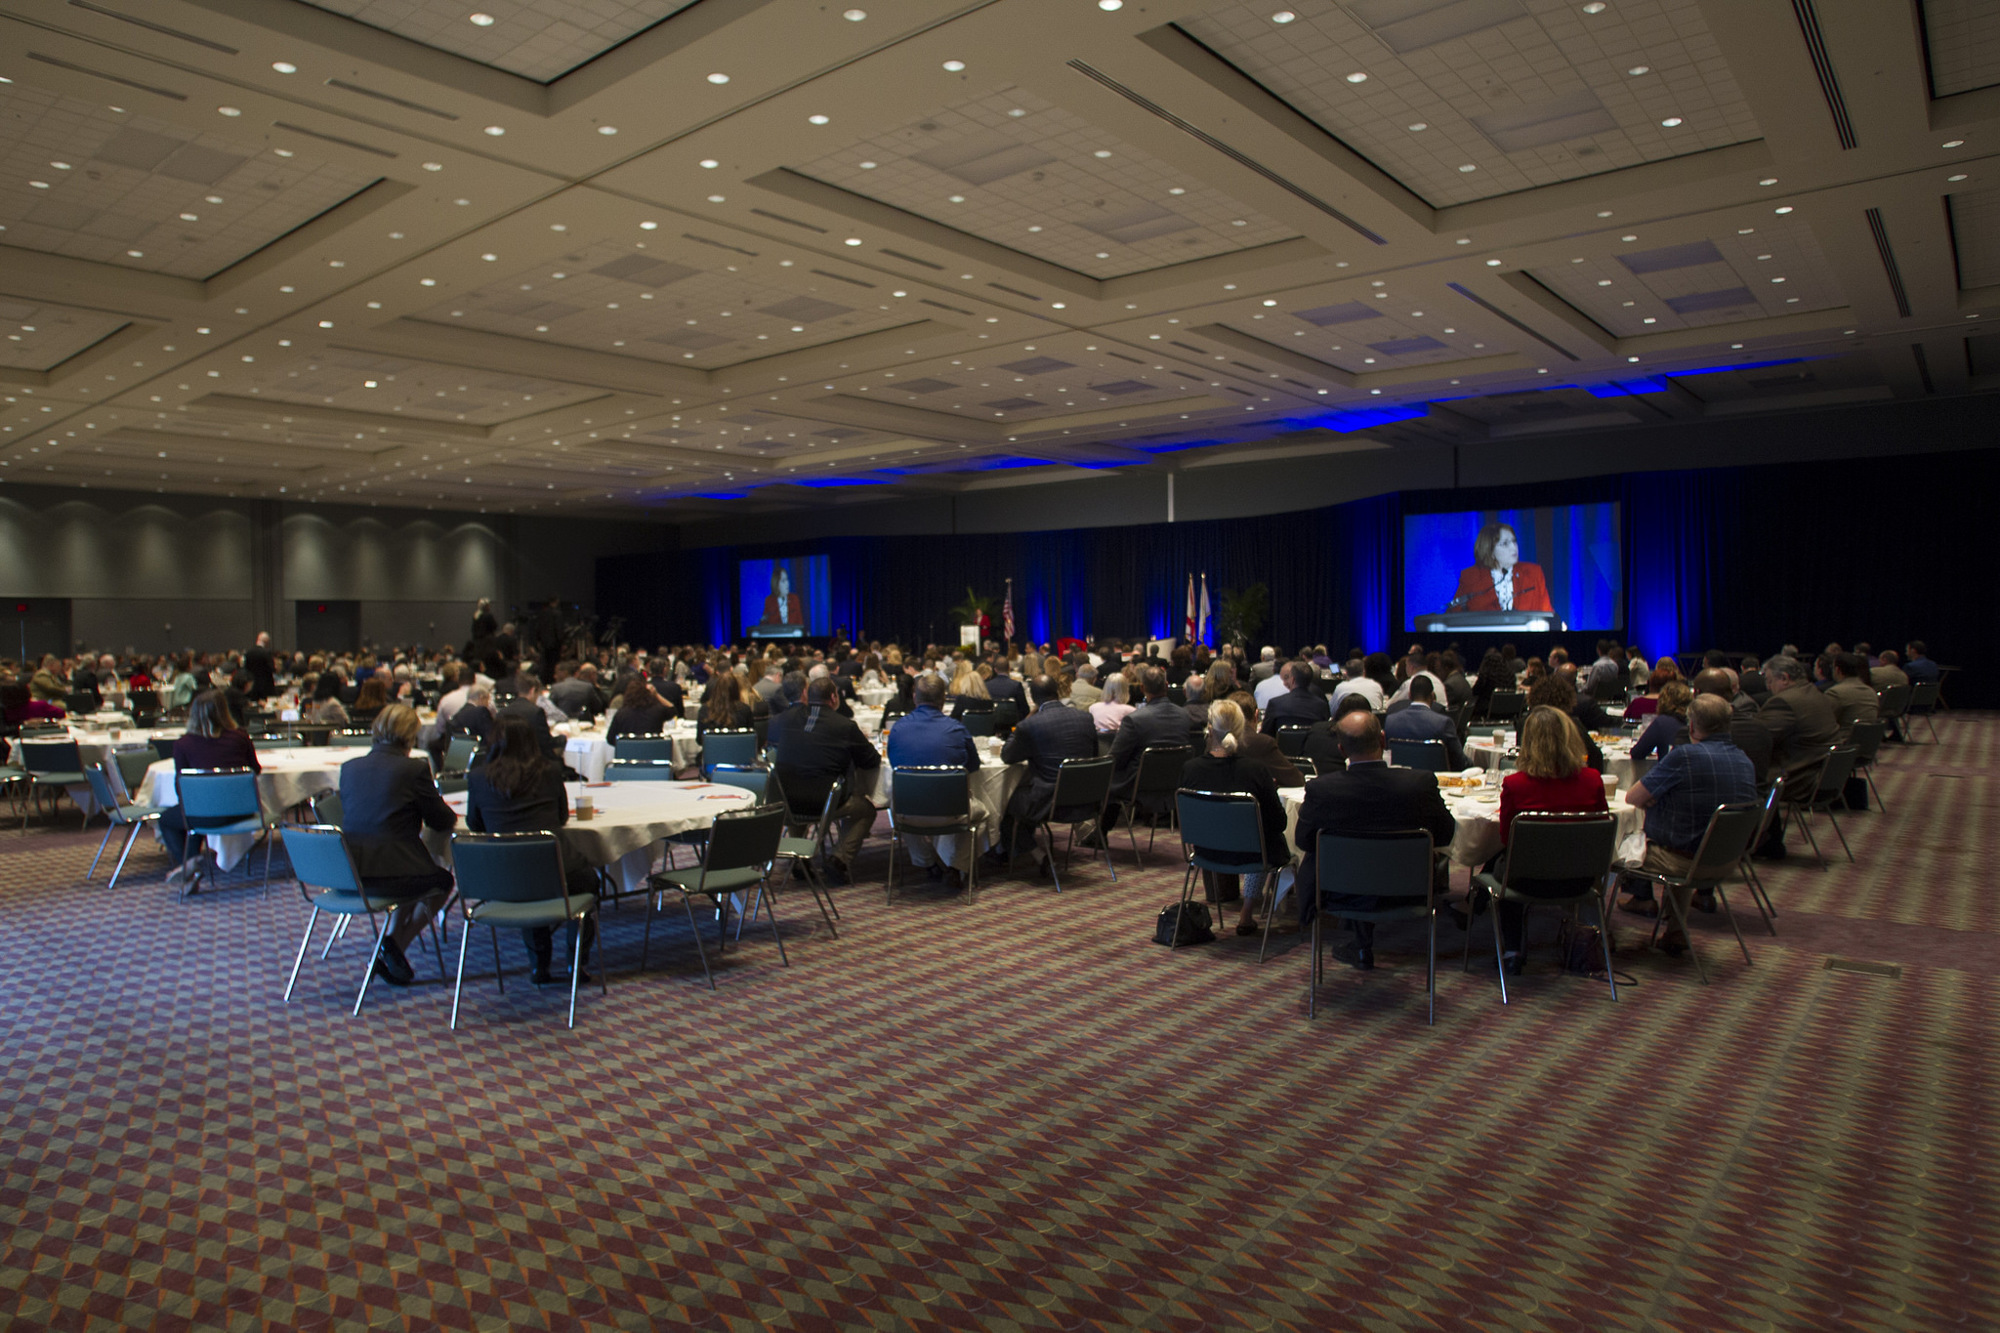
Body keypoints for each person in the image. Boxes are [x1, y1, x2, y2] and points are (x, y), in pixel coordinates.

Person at [1292, 711, 1456, 969]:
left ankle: (1359, 943)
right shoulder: (1419, 784)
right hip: (1409, 891)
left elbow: (1303, 840)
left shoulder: (1322, 789)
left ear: (1342, 749)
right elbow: (1446, 834)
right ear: (1383, 740)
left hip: (1340, 890)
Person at [464, 717, 597, 986]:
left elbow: (475, 825)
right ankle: (576, 961)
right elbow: (561, 817)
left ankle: (539, 965)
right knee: (589, 883)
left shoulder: (478, 777)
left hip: (502, 876)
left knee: (526, 881)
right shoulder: (548, 771)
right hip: (555, 868)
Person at [1622, 695, 1758, 955]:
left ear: (1692, 726)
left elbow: (1633, 798)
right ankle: (1675, 931)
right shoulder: (1744, 760)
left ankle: (1596, 933)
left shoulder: (1684, 757)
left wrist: (1657, 800)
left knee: (1613, 845)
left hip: (1684, 861)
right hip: (1726, 860)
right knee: (1686, 840)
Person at [338, 705, 457, 986]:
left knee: (410, 869)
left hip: (351, 872)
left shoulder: (350, 767)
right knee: (441, 880)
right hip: (394, 872)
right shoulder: (413, 769)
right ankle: (395, 944)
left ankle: (390, 945)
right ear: (409, 736)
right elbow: (441, 821)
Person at [1489, 706, 1607, 969]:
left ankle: (1513, 951)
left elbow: (1507, 838)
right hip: (1581, 879)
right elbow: (1599, 833)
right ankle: (1585, 942)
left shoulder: (1516, 784)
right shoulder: (1592, 780)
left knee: (1499, 863)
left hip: (1526, 882)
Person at [1179, 700, 1289, 937]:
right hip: (1253, 856)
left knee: (1256, 839)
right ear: (1243, 728)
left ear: (1209, 728)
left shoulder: (1191, 769)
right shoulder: (1256, 771)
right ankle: (1247, 913)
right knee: (1262, 839)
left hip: (1205, 853)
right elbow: (1278, 823)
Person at [770, 676, 879, 885]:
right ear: (833, 697)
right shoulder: (844, 726)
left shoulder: (787, 721)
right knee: (866, 809)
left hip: (786, 800)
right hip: (824, 802)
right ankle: (839, 859)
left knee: (800, 789)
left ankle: (798, 858)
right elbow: (871, 760)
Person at [987, 674, 1098, 870]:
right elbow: (1094, 757)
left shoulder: (1030, 725)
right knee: (1023, 797)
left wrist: (1027, 719)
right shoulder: (1086, 718)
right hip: (1087, 798)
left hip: (1050, 801)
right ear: (1056, 692)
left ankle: (1033, 854)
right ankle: (1025, 848)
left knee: (1004, 802)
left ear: (1033, 698)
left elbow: (1007, 756)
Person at [884, 673, 982, 889]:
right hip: (951, 811)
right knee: (983, 813)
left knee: (900, 801)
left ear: (915, 698)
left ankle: (928, 863)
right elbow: (973, 767)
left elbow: (894, 766)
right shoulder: (957, 729)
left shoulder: (897, 729)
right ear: (943, 698)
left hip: (907, 812)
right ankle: (955, 866)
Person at [159, 690, 261, 887]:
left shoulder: (183, 744)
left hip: (204, 812)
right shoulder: (240, 737)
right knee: (194, 812)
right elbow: (254, 770)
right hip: (242, 811)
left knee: (169, 819)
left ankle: (188, 865)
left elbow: (182, 787)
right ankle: (190, 867)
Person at [1750, 654, 1838, 860]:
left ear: (1785, 678)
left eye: (1770, 681)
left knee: (1744, 774)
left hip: (1799, 775)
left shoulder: (1784, 701)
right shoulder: (1814, 692)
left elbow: (1759, 736)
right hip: (1820, 770)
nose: (1768, 687)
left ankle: (1761, 842)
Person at [1448, 522, 1552, 614]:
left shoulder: (1533, 573)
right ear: (1490, 550)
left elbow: (1547, 613)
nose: (1513, 547)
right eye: (1505, 544)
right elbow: (1454, 616)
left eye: (1514, 541)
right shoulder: (1471, 577)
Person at [1383, 674, 1468, 768]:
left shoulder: (1391, 721)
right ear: (1432, 696)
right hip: (1434, 779)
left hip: (1401, 779)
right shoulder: (1443, 723)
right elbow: (1459, 761)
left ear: (1409, 695)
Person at [1525, 673, 1604, 773]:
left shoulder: (1526, 724)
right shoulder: (1573, 725)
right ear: (1567, 700)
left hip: (1533, 779)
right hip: (1570, 781)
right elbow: (1596, 757)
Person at [1260, 662, 1331, 737]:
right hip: (1312, 748)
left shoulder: (1275, 704)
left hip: (1282, 747)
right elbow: (1325, 734)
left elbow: (1265, 735)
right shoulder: (1322, 706)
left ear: (1293, 680)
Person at [1631, 680, 1692, 760]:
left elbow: (1637, 753)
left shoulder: (1662, 723)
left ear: (1663, 700)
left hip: (1670, 770)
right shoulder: (1697, 722)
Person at [1825, 653, 1879, 743]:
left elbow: (1825, 723)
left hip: (1842, 744)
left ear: (1837, 670)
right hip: (1867, 743)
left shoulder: (1835, 693)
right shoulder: (1870, 691)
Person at [606, 676, 674, 744]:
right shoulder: (658, 711)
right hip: (654, 752)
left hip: (629, 753)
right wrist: (656, 694)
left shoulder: (621, 714)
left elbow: (610, 739)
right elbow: (672, 709)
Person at [696, 670, 756, 741]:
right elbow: (751, 737)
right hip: (739, 750)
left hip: (713, 751)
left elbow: (699, 740)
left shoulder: (705, 709)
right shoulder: (745, 710)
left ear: (716, 689)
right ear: (736, 689)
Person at [1469, 650, 1513, 717]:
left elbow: (1475, 692)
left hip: (1485, 712)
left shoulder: (1485, 677)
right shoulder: (1511, 677)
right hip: (1507, 714)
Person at [762, 564, 805, 629]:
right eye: (783, 581)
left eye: (787, 579)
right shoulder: (769, 601)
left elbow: (800, 624)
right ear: (776, 584)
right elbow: (763, 626)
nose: (787, 583)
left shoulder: (794, 599)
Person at [244, 632, 277, 702]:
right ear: (266, 642)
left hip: (252, 685)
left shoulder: (248, 653)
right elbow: (272, 669)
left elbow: (245, 669)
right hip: (265, 686)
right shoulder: (266, 653)